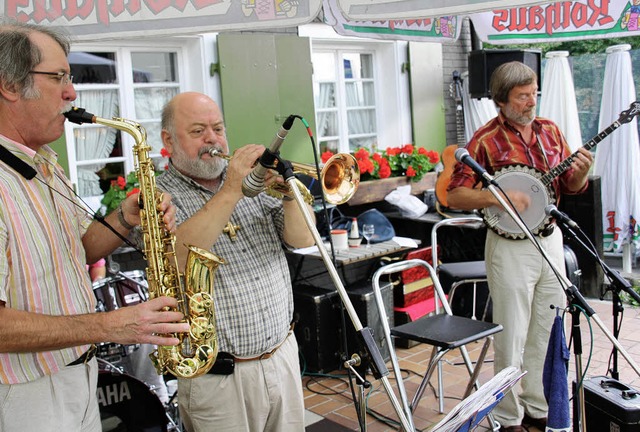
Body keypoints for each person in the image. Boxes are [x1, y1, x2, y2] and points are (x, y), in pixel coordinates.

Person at [0, 19, 189, 431]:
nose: (72, 92)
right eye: (59, 77)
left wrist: (126, 216)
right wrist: (111, 324)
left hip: (77, 374)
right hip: (24, 393)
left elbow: (79, 247)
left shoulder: (44, 163)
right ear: (9, 87)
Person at [155, 91, 315, 431]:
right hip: (219, 379)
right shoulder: (158, 194)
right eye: (198, 131)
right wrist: (231, 189)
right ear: (168, 140)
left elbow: (302, 240)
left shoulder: (252, 181)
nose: (212, 139)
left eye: (218, 128)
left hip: (282, 356)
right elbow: (176, 257)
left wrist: (289, 194)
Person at [447, 61, 593, 432]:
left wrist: (580, 173)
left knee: (548, 327)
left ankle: (538, 407)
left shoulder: (550, 131)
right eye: (523, 96)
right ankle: (508, 417)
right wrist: (498, 197)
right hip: (510, 247)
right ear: (502, 100)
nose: (531, 102)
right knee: (511, 334)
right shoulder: (484, 140)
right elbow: (456, 196)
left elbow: (570, 188)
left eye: (534, 94)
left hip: (551, 240)